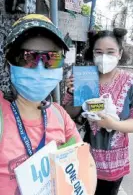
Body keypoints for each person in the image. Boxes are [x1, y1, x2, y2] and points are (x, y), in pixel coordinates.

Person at [0, 14, 96, 195]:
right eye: (27, 57)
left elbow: (86, 164)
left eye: (52, 58)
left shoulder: (60, 115)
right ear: (9, 64)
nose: (40, 67)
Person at [63, 28, 133, 195]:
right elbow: (69, 115)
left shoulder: (129, 82)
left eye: (110, 52)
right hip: (85, 158)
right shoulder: (86, 78)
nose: (104, 57)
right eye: (99, 52)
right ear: (92, 53)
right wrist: (73, 92)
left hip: (114, 165)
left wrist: (113, 124)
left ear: (120, 53)